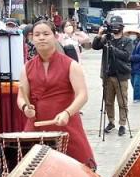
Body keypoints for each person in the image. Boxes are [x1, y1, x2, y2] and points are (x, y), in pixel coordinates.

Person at [19, 20, 96, 169]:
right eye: (37, 34)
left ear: (55, 37)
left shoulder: (71, 65)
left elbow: (82, 95)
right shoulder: (27, 67)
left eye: (46, 34)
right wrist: (24, 107)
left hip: (66, 125)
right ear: (32, 38)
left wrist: (68, 112)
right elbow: (22, 96)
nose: (41, 38)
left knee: (75, 172)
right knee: (33, 175)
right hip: (36, 127)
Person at [92, 15, 134, 136]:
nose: (115, 29)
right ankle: (111, 122)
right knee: (108, 101)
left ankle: (122, 124)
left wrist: (112, 49)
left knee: (122, 102)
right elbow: (95, 46)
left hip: (121, 76)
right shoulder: (106, 38)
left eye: (117, 26)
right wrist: (99, 35)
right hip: (107, 75)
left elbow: (126, 56)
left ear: (121, 27)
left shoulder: (127, 41)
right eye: (113, 26)